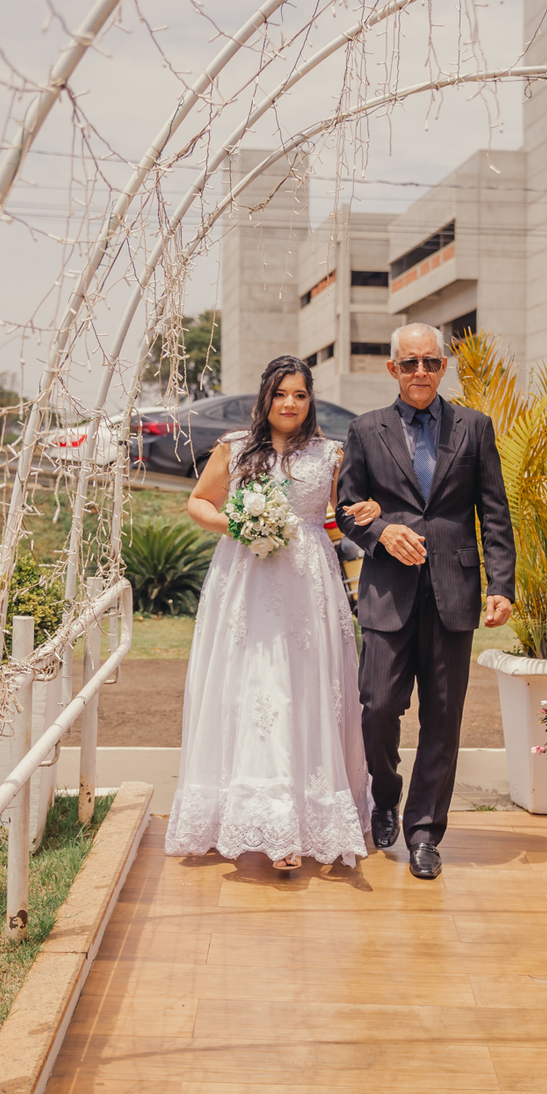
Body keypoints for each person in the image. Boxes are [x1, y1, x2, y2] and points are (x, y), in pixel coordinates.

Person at [166, 355, 380, 873]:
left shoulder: (331, 453)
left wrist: (368, 510)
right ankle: (234, 817)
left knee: (303, 688)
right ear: (266, 396)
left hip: (309, 584)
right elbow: (199, 502)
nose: (290, 403)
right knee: (249, 686)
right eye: (281, 393)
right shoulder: (236, 448)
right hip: (244, 581)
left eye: (300, 395)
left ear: (310, 400)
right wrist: (236, 524)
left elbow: (341, 514)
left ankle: (301, 823)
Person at [335, 322, 516, 880]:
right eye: (410, 363)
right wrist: (381, 533)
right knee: (378, 707)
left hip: (454, 593)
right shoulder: (365, 430)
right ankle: (385, 796)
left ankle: (424, 832)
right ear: (392, 369)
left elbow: (494, 512)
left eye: (431, 363)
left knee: (444, 718)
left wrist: (501, 585)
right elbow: (345, 509)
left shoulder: (475, 428)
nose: (421, 373)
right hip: (388, 592)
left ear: (444, 367)